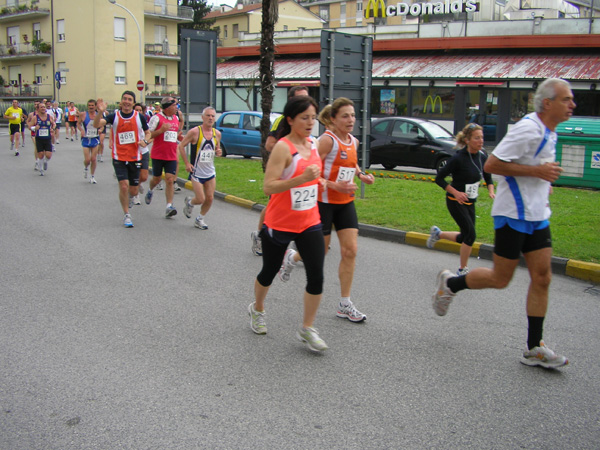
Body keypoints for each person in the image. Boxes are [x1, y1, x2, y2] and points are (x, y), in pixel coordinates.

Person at [431, 78, 575, 369]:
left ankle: (535, 347)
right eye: (566, 99)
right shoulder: (527, 128)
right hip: (513, 214)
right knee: (501, 278)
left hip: (538, 215)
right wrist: (538, 172)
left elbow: (533, 171)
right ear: (547, 103)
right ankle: (451, 283)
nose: (572, 104)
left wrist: (543, 181)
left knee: (543, 277)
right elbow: (492, 165)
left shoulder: (551, 131)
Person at [278, 98, 375, 323]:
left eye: (353, 115)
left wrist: (361, 175)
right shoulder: (326, 141)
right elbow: (313, 170)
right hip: (323, 203)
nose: (351, 120)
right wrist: (334, 185)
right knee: (319, 252)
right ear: (333, 119)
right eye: (345, 116)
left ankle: (345, 304)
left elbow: (352, 164)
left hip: (345, 203)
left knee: (350, 251)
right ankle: (293, 257)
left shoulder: (354, 141)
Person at [248, 96, 329, 352]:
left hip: (309, 221)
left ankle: (307, 328)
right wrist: (302, 178)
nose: (310, 122)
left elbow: (313, 175)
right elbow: (268, 186)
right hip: (279, 222)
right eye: (304, 118)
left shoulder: (314, 145)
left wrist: (320, 182)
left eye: (313, 118)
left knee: (317, 276)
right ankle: (257, 309)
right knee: (268, 272)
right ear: (291, 120)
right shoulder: (283, 148)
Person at [427, 123, 495, 275]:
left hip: (471, 201)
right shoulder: (457, 158)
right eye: (477, 138)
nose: (481, 141)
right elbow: (439, 179)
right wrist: (456, 193)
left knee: (466, 236)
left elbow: (488, 177)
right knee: (471, 234)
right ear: (467, 140)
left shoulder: (482, 156)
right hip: (455, 201)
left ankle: (438, 235)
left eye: (482, 137)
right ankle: (462, 269)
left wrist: (491, 190)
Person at [251, 86, 310, 256]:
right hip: (282, 171)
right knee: (273, 205)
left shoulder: (307, 120)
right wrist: (288, 151)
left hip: (301, 171)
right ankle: (261, 236)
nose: (304, 103)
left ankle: (303, 240)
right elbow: (269, 144)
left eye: (306, 98)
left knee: (302, 203)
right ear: (291, 100)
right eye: (300, 99)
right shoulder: (282, 121)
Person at [93, 91, 151, 228]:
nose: (126, 101)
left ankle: (130, 198)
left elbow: (148, 133)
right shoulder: (114, 116)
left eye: (129, 99)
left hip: (135, 157)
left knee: (134, 191)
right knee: (123, 185)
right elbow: (96, 125)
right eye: (124, 99)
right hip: (119, 157)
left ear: (133, 102)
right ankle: (127, 214)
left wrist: (145, 141)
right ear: (121, 101)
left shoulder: (139, 117)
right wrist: (100, 112)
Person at [177, 106, 221, 229]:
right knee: (200, 198)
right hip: (196, 172)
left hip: (210, 172)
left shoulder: (217, 134)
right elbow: (181, 146)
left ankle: (200, 219)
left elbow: (216, 149)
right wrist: (186, 163)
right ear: (202, 117)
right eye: (208, 115)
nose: (210, 118)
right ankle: (190, 203)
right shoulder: (195, 132)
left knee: (210, 198)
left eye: (213, 116)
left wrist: (218, 152)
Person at [144, 97, 181, 218]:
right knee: (157, 179)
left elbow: (173, 135)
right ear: (168, 107)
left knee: (170, 180)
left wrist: (180, 138)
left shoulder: (176, 118)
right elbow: (148, 134)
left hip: (171, 155)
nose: (177, 107)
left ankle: (169, 206)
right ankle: (150, 190)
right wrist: (161, 130)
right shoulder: (156, 118)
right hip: (158, 155)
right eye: (175, 105)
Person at [28, 101, 55, 176]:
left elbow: (54, 124)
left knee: (49, 155)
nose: (43, 108)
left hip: (47, 138)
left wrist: (53, 128)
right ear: (38, 109)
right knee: (40, 154)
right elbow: (29, 126)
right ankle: (41, 170)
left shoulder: (49, 117)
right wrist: (34, 128)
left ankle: (45, 162)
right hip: (39, 138)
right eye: (41, 107)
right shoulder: (35, 118)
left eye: (44, 107)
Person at [78, 99, 101, 184]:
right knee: (87, 160)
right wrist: (81, 130)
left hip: (95, 138)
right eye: (89, 105)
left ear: (95, 106)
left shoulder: (98, 115)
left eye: (92, 105)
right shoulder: (83, 114)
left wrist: (101, 129)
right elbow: (78, 124)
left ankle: (92, 176)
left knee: (94, 159)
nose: (91, 107)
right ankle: (86, 168)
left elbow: (102, 125)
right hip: (86, 139)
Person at [132, 103, 150, 205]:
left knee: (144, 177)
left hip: (144, 151)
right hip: (133, 152)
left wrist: (146, 141)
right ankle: (135, 195)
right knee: (135, 174)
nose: (138, 112)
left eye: (140, 110)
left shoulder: (144, 122)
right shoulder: (130, 121)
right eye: (136, 110)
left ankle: (138, 184)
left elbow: (149, 134)